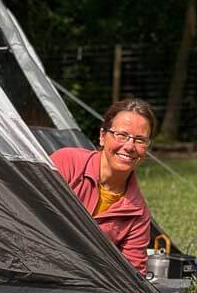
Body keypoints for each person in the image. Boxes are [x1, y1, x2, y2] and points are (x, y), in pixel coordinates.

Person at [50, 98, 156, 274]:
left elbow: (134, 274)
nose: (129, 146)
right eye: (121, 135)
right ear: (102, 136)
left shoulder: (139, 214)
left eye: (139, 140)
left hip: (82, 280)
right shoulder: (66, 163)